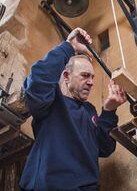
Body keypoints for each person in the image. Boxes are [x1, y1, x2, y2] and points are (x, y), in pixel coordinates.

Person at [20, 28, 127, 190]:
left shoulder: (89, 110)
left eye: (92, 77)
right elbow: (37, 83)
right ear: (66, 76)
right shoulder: (50, 100)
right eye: (85, 75)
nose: (91, 82)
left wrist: (109, 111)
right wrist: (69, 46)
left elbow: (105, 148)